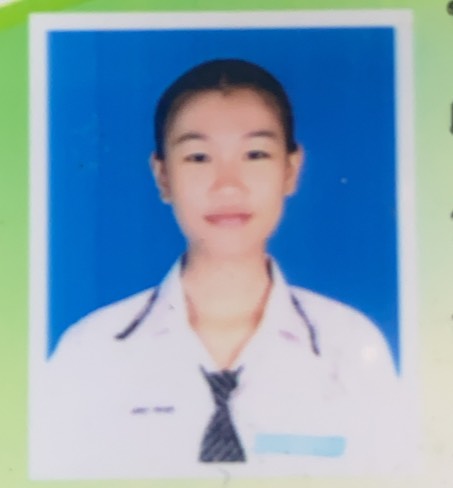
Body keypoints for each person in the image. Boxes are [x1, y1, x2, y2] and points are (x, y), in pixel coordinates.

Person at [32, 59, 404, 479]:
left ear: (291, 170)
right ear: (162, 176)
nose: (228, 185)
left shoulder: (350, 348)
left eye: (255, 154)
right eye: (198, 157)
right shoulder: (91, 352)